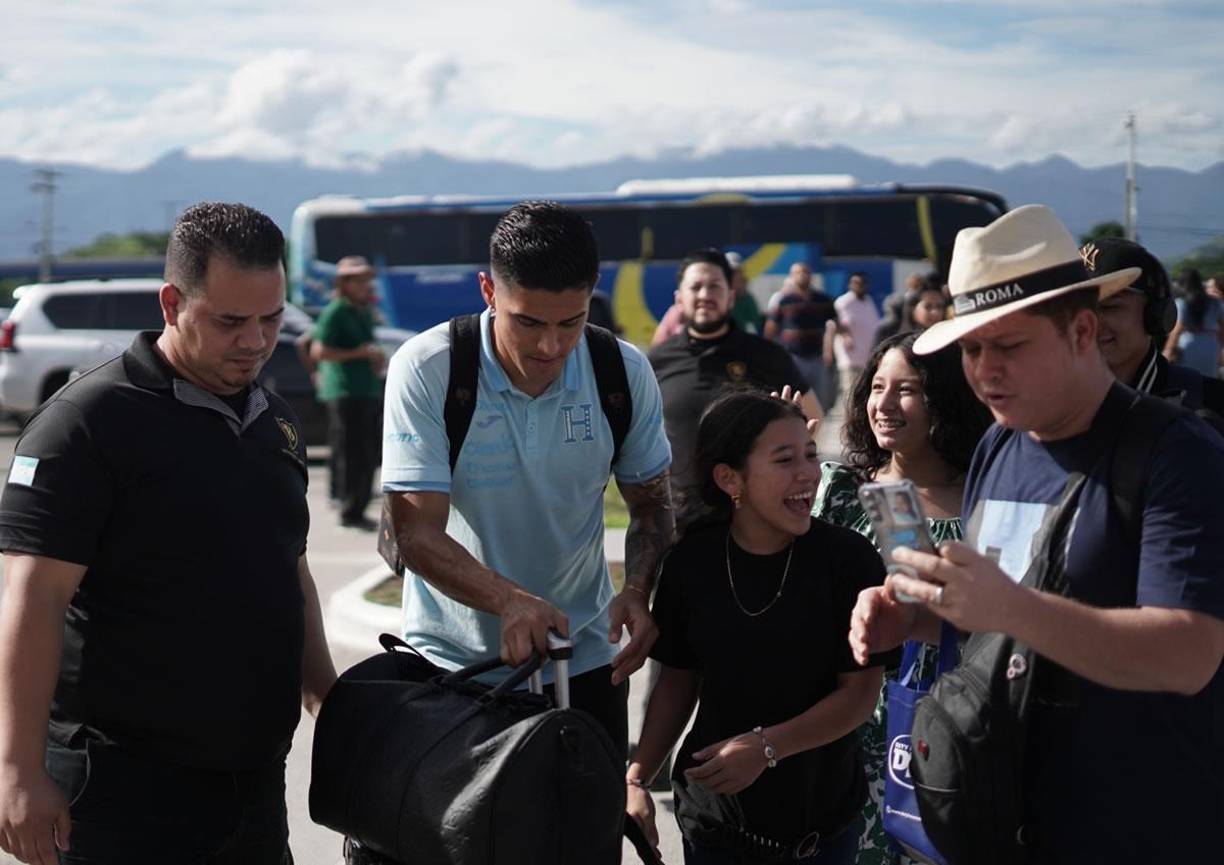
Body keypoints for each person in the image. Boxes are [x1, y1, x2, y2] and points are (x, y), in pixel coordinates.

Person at [849, 205, 1224, 865]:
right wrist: (919, 619)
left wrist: (1010, 608)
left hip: (1142, 830)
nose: (985, 371)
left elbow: (1189, 655)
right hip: (1005, 824)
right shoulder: (999, 445)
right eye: (971, 349)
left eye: (1010, 346)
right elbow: (1001, 632)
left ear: (1082, 330)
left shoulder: (1177, 453)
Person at [0, 202, 337, 865]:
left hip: (252, 785)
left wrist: (327, 696)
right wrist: (17, 769)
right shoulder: (87, 423)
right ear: (172, 303)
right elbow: (33, 599)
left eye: (271, 319)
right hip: (120, 792)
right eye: (230, 321)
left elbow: (288, 568)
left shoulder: (274, 421)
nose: (255, 341)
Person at [381, 201, 674, 760]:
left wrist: (638, 592)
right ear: (489, 291)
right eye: (529, 323)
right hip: (452, 666)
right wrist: (510, 601)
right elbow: (414, 532)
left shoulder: (622, 371)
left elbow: (652, 506)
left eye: (571, 323)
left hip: (584, 663)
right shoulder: (429, 368)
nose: (550, 347)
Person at [625, 389, 893, 865]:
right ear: (730, 479)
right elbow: (677, 682)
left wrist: (766, 748)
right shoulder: (691, 562)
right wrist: (637, 778)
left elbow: (859, 695)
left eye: (810, 454)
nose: (808, 473)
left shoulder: (848, 559)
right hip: (715, 824)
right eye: (785, 459)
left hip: (820, 829)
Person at [812, 330, 990, 865]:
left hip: (962, 730)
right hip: (854, 734)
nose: (884, 404)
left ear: (947, 399)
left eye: (906, 390)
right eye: (876, 387)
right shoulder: (840, 492)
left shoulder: (990, 496)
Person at [649, 248, 822, 527]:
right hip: (680, 522)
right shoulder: (656, 361)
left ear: (731, 296)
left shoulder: (766, 355)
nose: (705, 295)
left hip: (753, 520)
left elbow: (813, 416)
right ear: (679, 299)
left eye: (715, 286)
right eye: (696, 287)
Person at [1082, 237, 1224, 421]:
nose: (1089, 323)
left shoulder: (1211, 405)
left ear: (1155, 314)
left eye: (1109, 307)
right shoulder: (1051, 410)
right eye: (1077, 310)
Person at [312, 255, 386, 530]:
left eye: (367, 279)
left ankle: (358, 505)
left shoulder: (363, 311)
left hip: (366, 389)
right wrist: (359, 353)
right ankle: (349, 508)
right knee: (351, 452)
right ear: (345, 284)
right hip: (345, 390)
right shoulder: (336, 311)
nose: (366, 285)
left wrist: (374, 358)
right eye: (359, 280)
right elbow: (319, 351)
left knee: (368, 451)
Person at [764, 262, 840, 408]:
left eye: (805, 272)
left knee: (820, 401)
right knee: (794, 400)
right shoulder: (784, 301)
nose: (802, 275)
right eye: (798, 272)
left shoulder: (823, 300)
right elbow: (771, 328)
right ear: (792, 276)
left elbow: (835, 324)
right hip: (793, 359)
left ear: (811, 276)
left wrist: (829, 349)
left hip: (818, 359)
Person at [1164, 267, 1224, 377]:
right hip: (1211, 343)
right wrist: (1220, 348)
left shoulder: (1182, 303)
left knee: (1188, 379)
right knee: (1209, 380)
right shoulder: (1215, 303)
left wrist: (1168, 349)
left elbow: (1177, 330)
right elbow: (1222, 328)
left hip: (1188, 343)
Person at [832, 273, 881, 407]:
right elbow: (835, 323)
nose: (859, 286)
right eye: (856, 283)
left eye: (862, 283)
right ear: (850, 285)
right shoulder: (843, 302)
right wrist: (846, 337)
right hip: (850, 357)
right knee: (851, 393)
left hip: (868, 357)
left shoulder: (868, 301)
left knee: (864, 394)